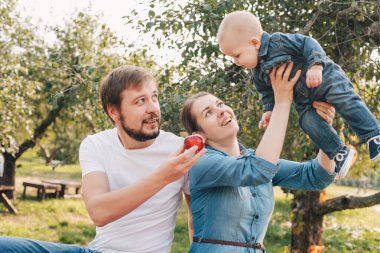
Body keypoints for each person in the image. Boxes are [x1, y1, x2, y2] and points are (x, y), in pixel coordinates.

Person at [0, 65, 205, 253]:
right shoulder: (95, 145)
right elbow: (99, 212)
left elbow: (195, 221)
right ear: (113, 112)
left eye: (154, 97)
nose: (153, 108)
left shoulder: (179, 149)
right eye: (140, 101)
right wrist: (163, 176)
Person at [181, 63, 337, 252]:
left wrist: (323, 128)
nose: (221, 111)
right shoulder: (202, 163)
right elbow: (256, 169)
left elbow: (318, 176)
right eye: (209, 113)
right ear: (200, 134)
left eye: (220, 104)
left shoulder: (256, 160)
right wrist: (281, 102)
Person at [217, 10, 380, 179]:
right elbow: (266, 92)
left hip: (325, 79)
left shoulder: (278, 42)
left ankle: (374, 134)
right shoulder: (256, 72)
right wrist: (269, 110)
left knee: (343, 98)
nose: (236, 62)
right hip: (304, 99)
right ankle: (339, 152)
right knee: (307, 122)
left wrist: (316, 65)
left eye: (237, 55)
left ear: (254, 43)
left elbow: (308, 43)